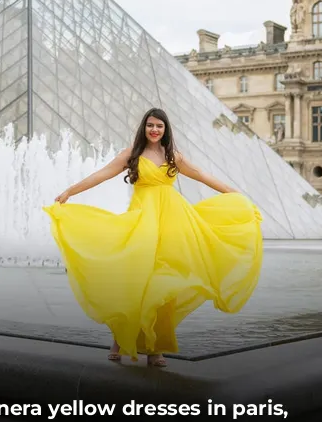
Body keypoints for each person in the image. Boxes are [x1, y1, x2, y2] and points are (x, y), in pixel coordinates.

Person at [43, 108, 263, 368]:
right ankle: (120, 338)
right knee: (138, 281)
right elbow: (102, 174)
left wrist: (236, 195)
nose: (155, 130)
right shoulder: (131, 154)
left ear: (165, 129)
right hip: (142, 222)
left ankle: (156, 348)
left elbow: (203, 176)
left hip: (173, 223)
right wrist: (71, 190)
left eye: (159, 126)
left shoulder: (174, 157)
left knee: (164, 286)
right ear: (144, 128)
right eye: (150, 125)